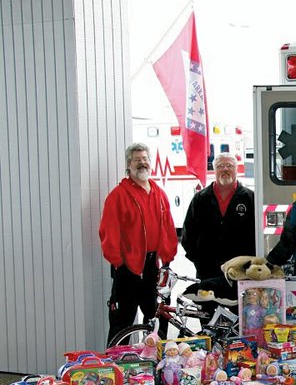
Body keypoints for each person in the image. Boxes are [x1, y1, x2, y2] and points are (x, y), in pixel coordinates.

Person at [99, 143, 178, 344]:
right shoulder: (118, 195)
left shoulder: (159, 193)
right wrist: (119, 264)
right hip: (128, 269)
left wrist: (167, 259)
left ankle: (158, 364)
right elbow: (108, 232)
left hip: (154, 268)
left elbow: (168, 227)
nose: (142, 163)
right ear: (128, 165)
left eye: (145, 159)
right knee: (121, 323)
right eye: (137, 159)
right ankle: (116, 367)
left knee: (159, 318)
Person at [181, 152, 256, 281]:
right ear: (214, 170)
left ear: (236, 169)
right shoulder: (200, 199)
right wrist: (198, 260)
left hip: (241, 270)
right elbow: (188, 233)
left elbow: (256, 232)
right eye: (221, 166)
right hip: (207, 270)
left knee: (237, 301)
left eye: (229, 165)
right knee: (208, 300)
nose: (225, 169)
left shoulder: (250, 198)